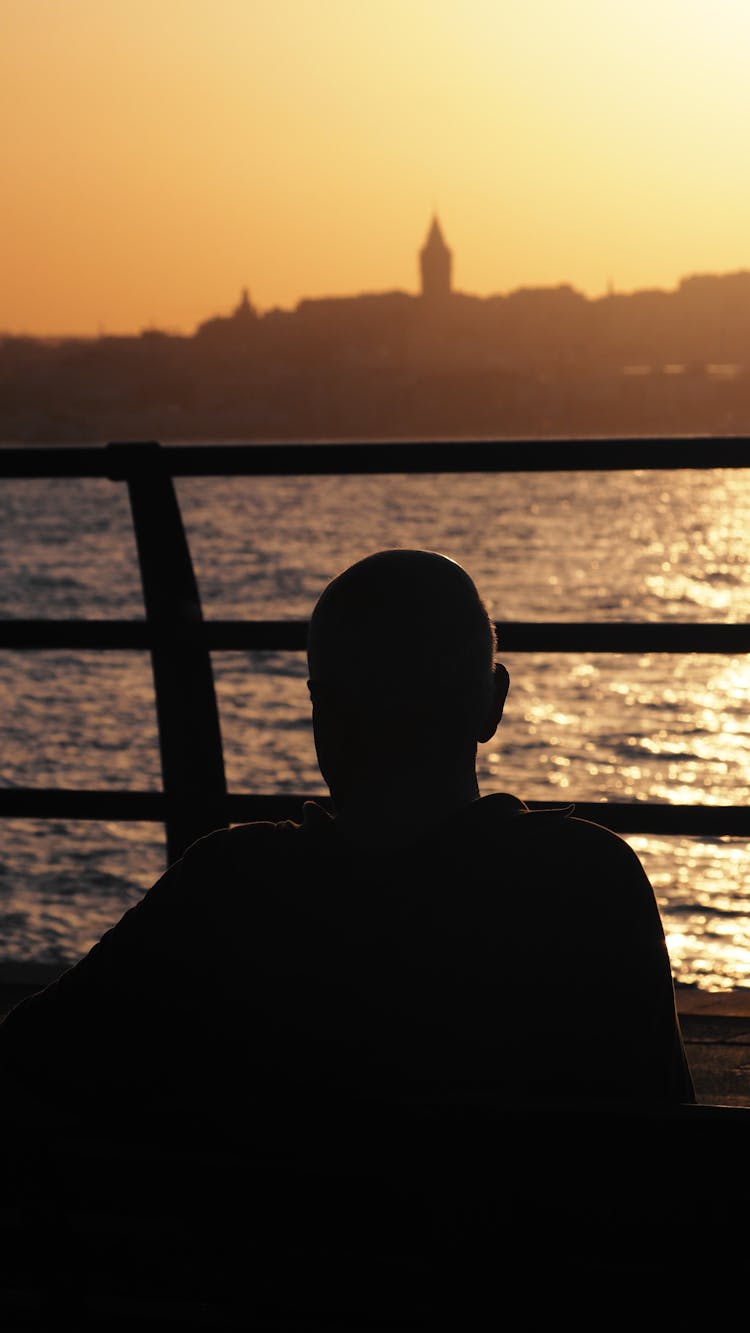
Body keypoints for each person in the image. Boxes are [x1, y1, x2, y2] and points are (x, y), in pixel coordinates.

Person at [0, 547, 695, 1133]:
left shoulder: (225, 886)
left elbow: (29, 1059)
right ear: (493, 703)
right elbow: (663, 1134)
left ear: (322, 711)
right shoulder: (592, 884)